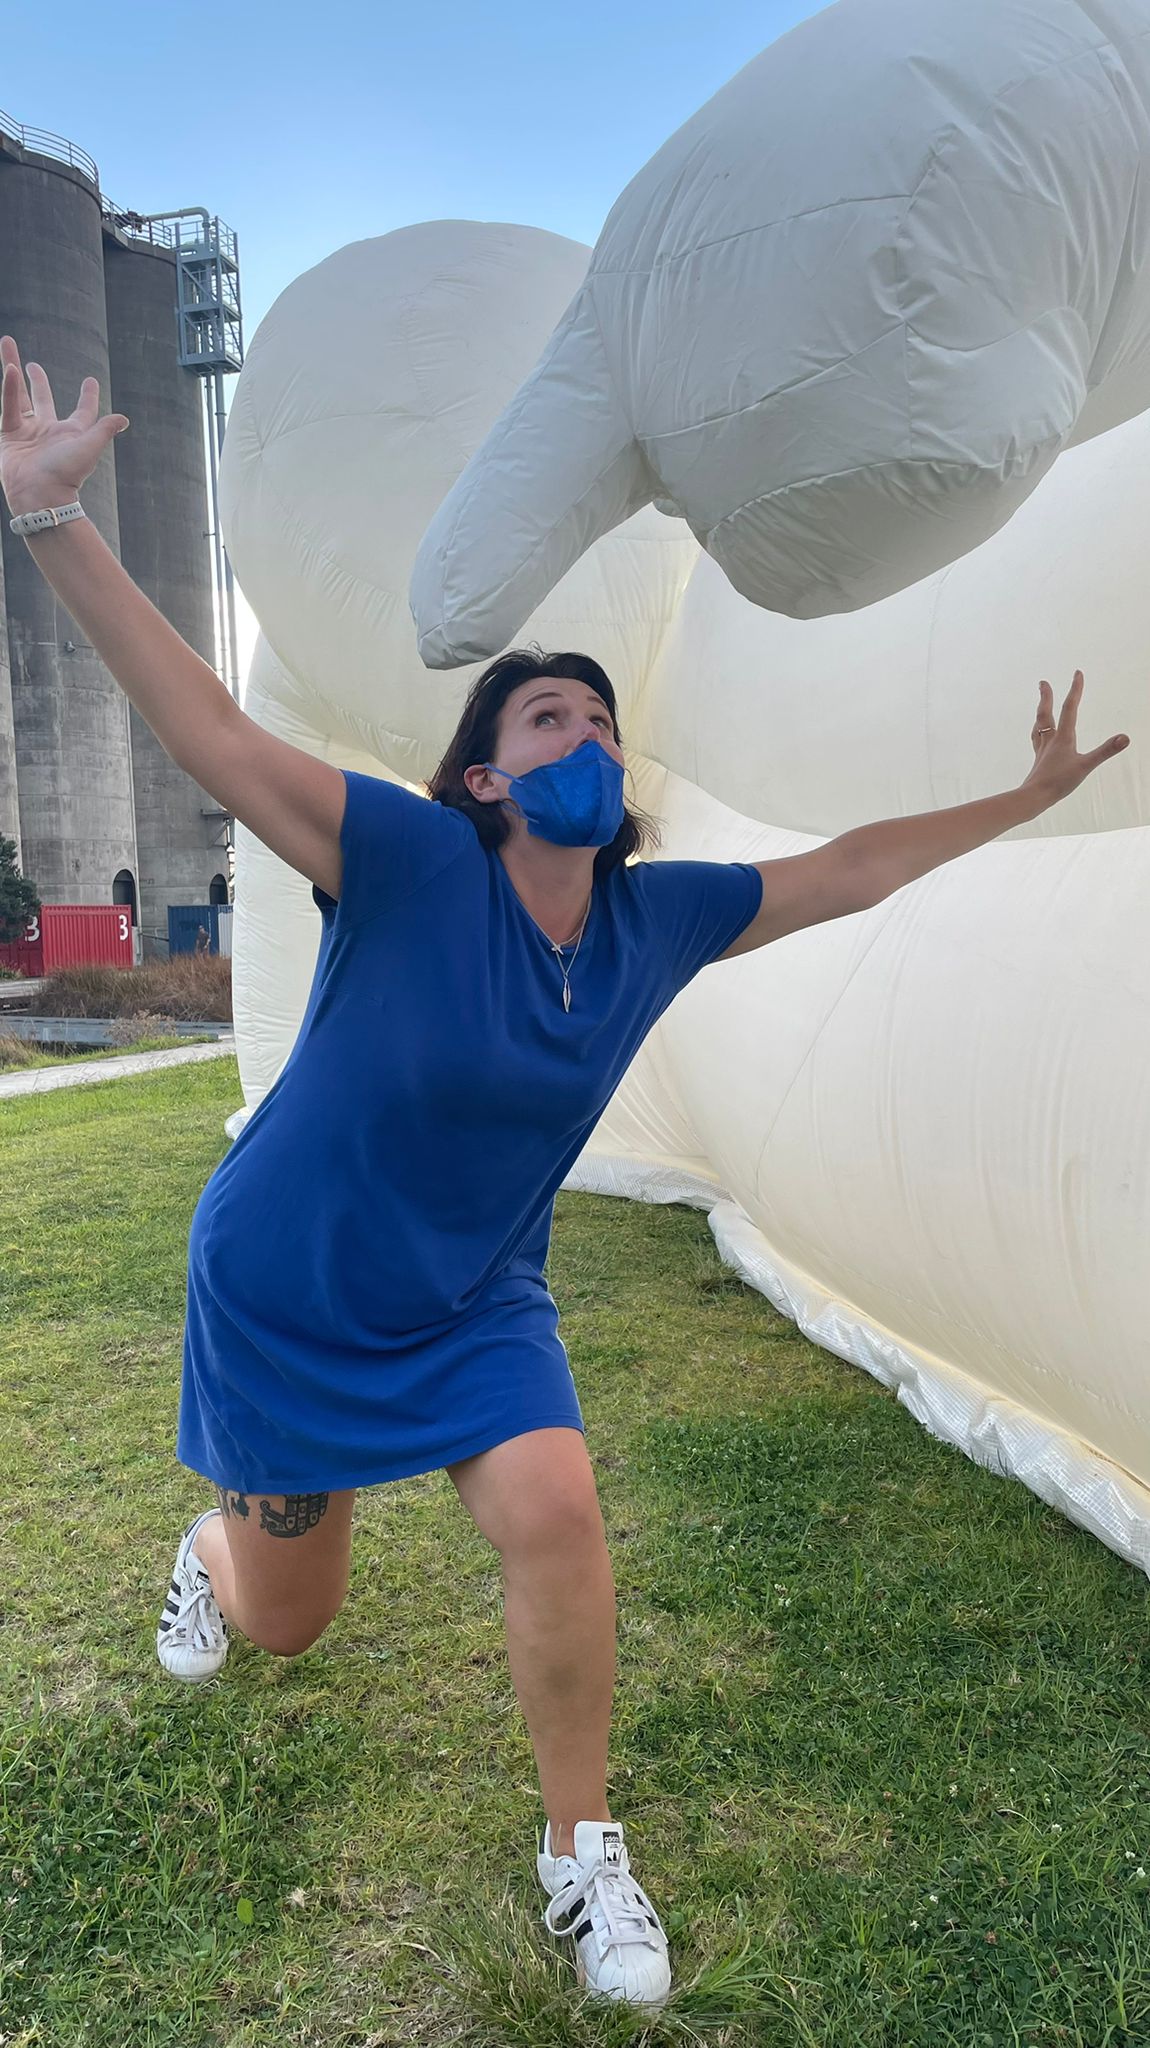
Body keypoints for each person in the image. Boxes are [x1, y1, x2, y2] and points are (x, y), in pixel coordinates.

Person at [0, 333, 1130, 2015]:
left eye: (601, 716)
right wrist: (48, 525)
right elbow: (217, 740)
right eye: (549, 716)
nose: (585, 733)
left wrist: (1020, 801)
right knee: (290, 1623)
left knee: (557, 1514)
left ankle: (576, 1850)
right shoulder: (395, 855)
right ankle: (212, 1551)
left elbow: (845, 871)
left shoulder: (654, 920)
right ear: (485, 774)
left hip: (474, 1302)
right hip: (288, 1290)